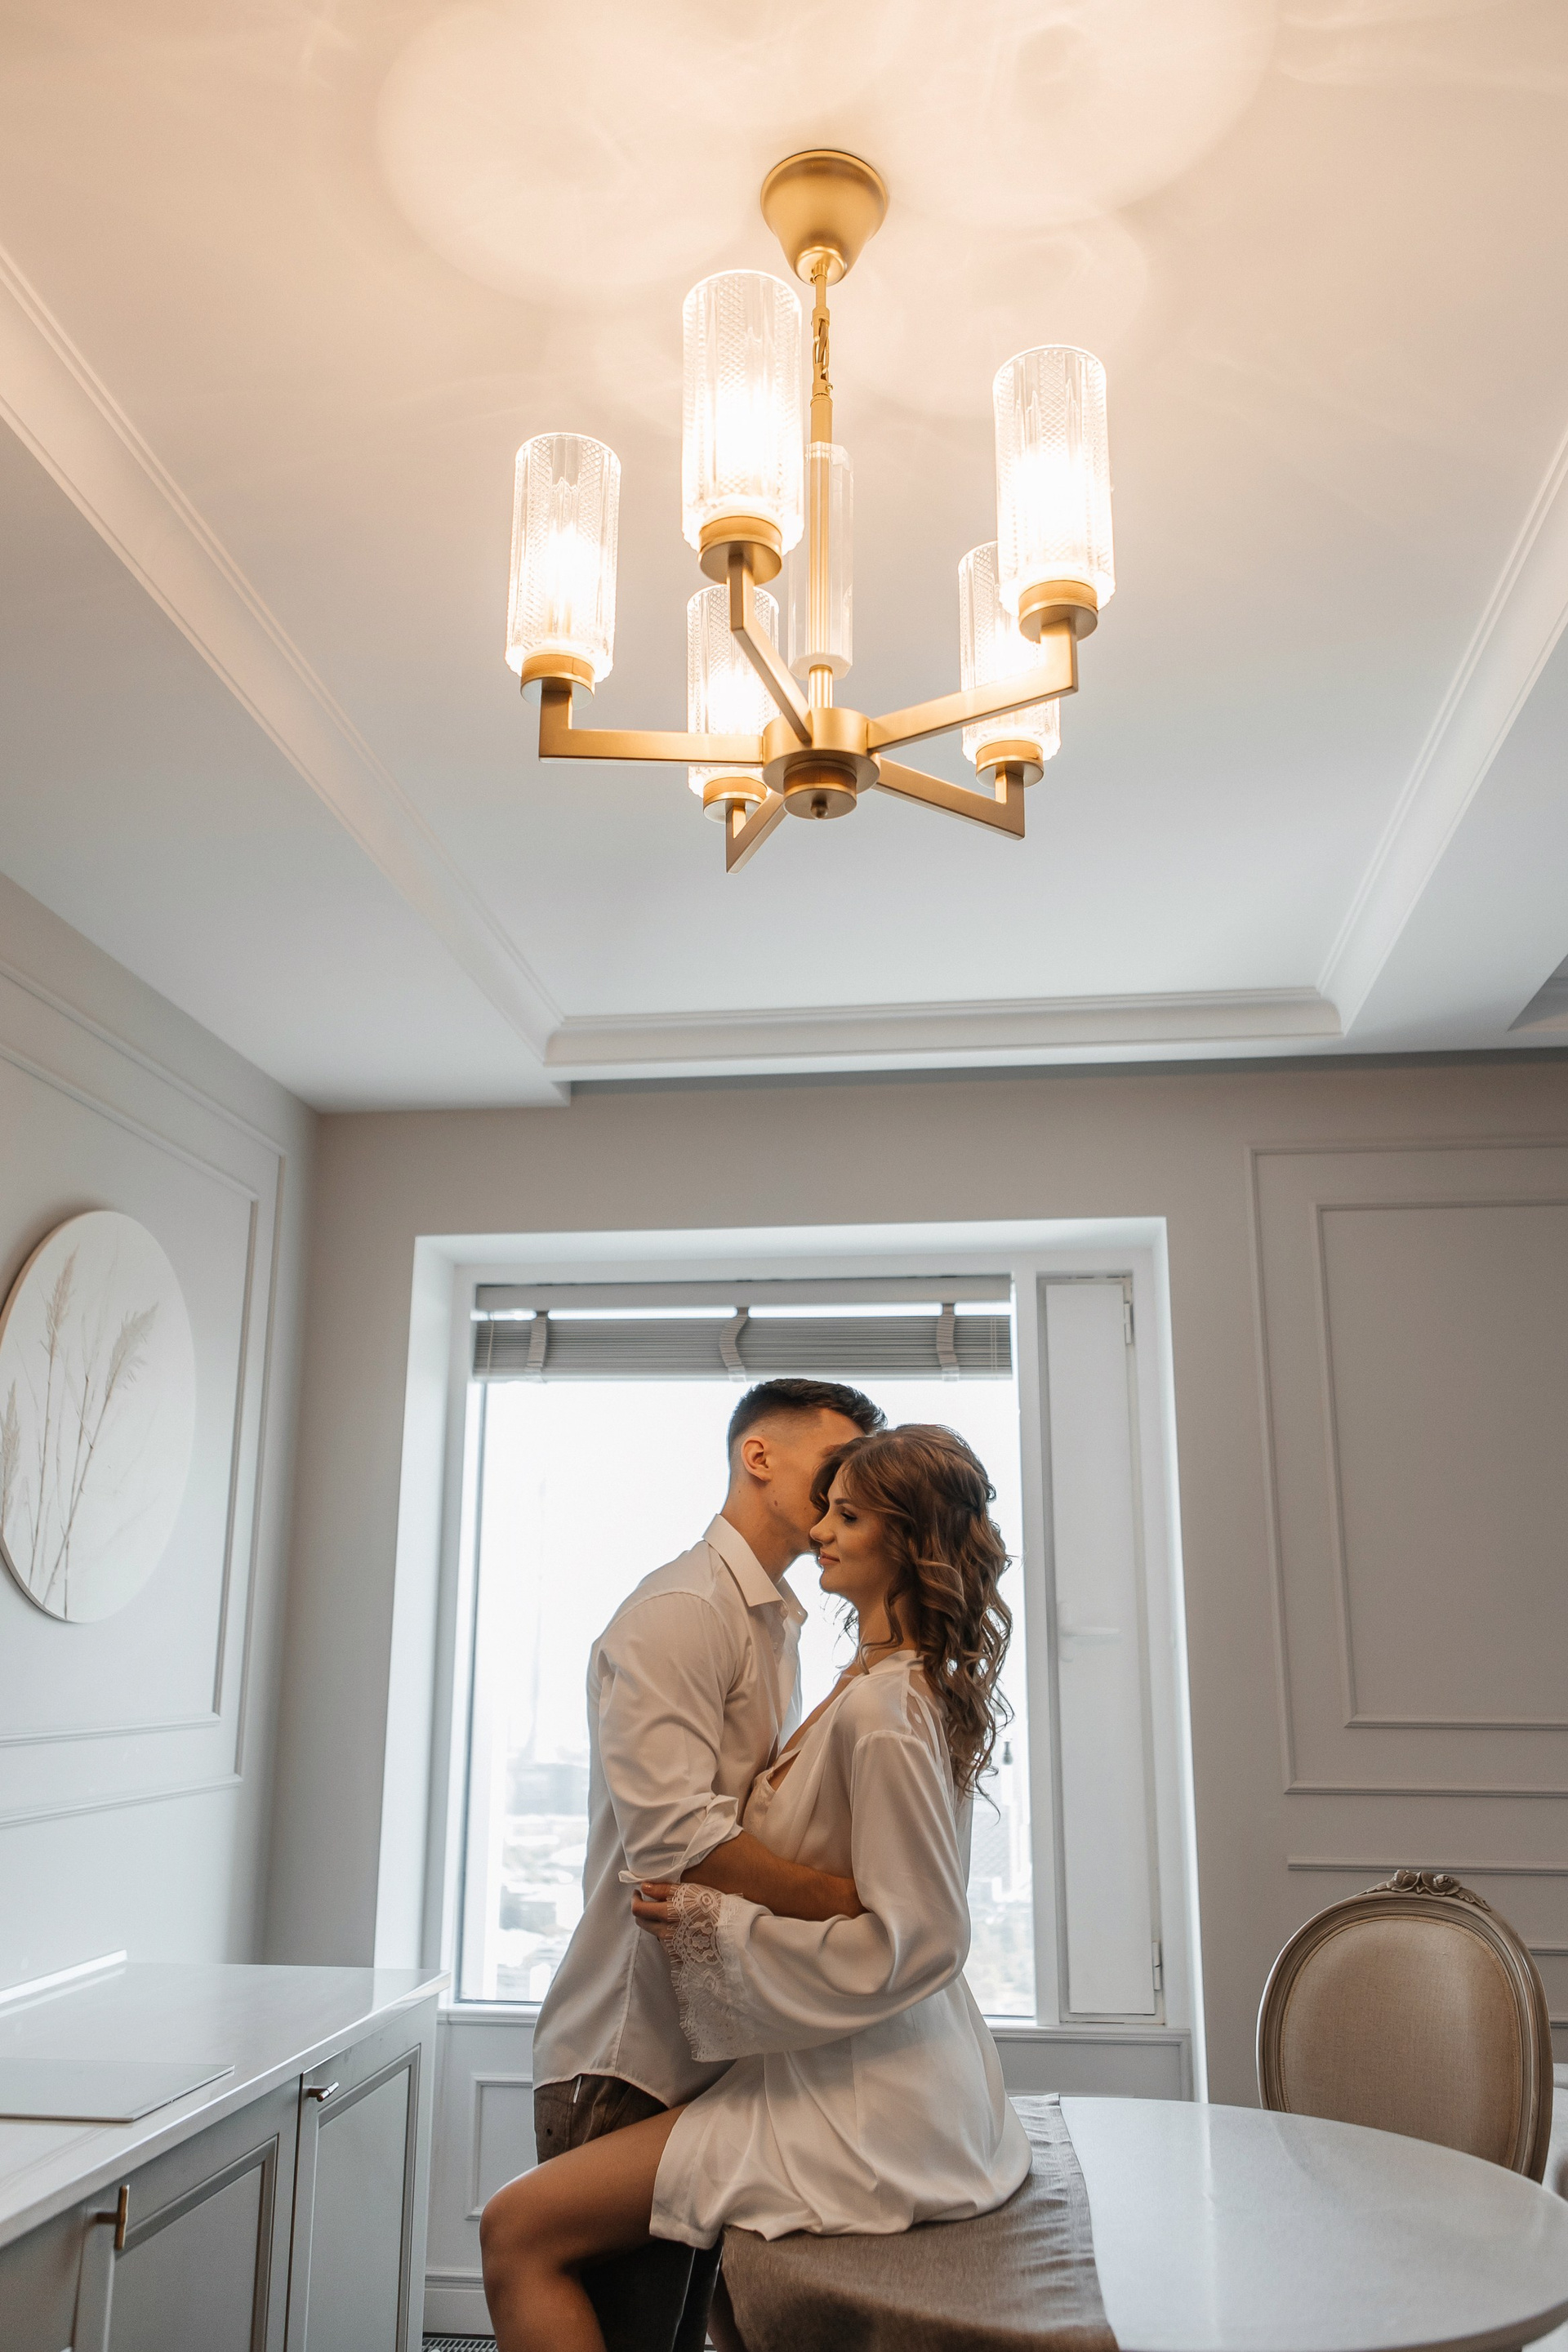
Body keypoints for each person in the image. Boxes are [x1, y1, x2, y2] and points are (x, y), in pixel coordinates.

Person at [483, 1423, 1030, 2352]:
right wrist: (815, 1900)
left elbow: (926, 1935)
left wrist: (714, 1924)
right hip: (832, 2065)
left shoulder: (886, 1706)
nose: (821, 1530)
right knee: (718, 2311)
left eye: (848, 1516)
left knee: (517, 2229)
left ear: (907, 1541)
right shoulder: (860, 1677)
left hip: (864, 2094)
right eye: (827, 1507)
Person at [523, 1376, 885, 2352]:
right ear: (757, 1456)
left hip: (708, 2051)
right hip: (628, 2057)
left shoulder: (775, 1623)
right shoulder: (681, 1610)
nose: (847, 1491)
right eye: (835, 1465)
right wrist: (848, 1905)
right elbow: (673, 1841)